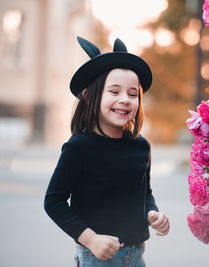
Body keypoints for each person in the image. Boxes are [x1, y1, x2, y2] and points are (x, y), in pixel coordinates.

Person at [44, 36, 170, 267]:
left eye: (133, 94)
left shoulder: (141, 146)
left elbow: (144, 193)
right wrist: (90, 239)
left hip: (136, 256)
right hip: (96, 257)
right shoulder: (79, 147)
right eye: (114, 91)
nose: (125, 100)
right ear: (90, 96)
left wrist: (152, 214)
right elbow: (54, 201)